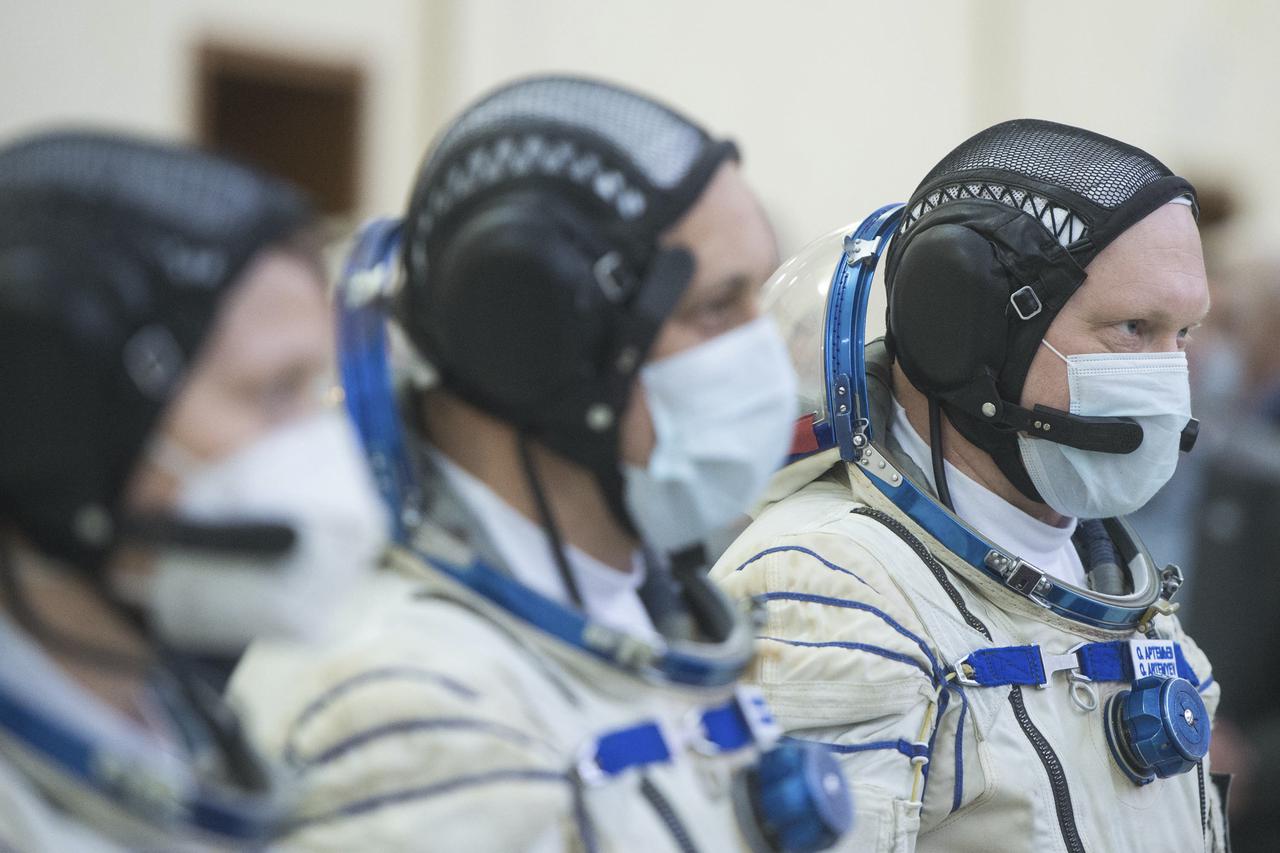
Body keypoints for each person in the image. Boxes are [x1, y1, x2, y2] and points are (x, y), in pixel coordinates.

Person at [230, 75, 852, 852]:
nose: (759, 352)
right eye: (717, 306)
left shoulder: (639, 604)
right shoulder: (409, 708)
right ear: (543, 346)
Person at [709, 119, 1229, 851]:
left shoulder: (1129, 598)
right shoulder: (828, 589)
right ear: (966, 334)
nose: (1169, 374)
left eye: (1185, 333)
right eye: (1134, 327)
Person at [0, 131, 387, 851]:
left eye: (316, 388)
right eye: (273, 392)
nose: (317, 446)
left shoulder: (169, 729)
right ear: (58, 413)